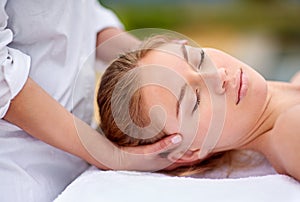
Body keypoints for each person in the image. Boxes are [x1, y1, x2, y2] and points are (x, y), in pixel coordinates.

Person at [0, 1, 182, 201]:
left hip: (79, 159)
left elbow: (82, 19)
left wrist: (153, 58)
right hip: (20, 171)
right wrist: (109, 155)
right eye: (192, 102)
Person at [97, 35, 300, 180]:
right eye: (194, 101)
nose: (218, 75)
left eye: (199, 59)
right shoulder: (289, 131)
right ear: (188, 152)